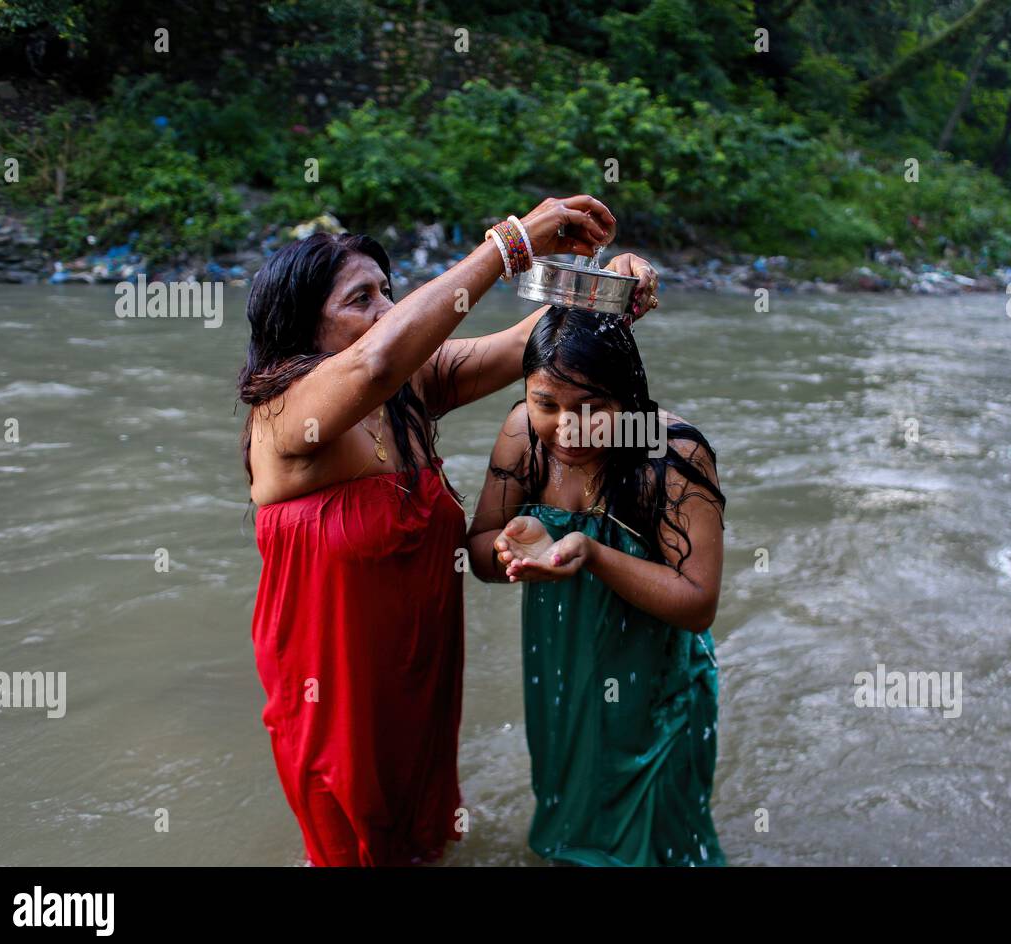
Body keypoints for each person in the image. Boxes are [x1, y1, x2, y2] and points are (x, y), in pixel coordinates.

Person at [240, 195, 660, 865]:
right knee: (353, 839)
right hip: (331, 686)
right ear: (302, 326)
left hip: (421, 666)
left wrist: (612, 288)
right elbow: (374, 360)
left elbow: (533, 343)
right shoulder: (284, 420)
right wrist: (509, 244)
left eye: (388, 291)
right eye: (360, 300)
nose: (385, 310)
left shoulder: (408, 391)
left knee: (423, 838)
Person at [468, 305, 726, 866]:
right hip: (562, 680)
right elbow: (480, 553)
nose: (567, 429)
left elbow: (698, 603)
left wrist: (592, 554)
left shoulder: (672, 454)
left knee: (659, 840)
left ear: (629, 397)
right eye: (547, 404)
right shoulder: (522, 435)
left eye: (592, 409)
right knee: (572, 826)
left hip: (659, 691)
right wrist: (513, 543)